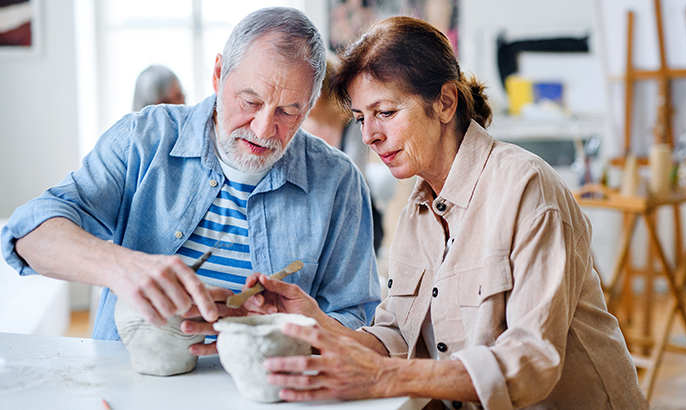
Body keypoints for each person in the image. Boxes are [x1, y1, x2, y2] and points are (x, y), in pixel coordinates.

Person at [235, 16, 649, 409]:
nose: (370, 135)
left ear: (446, 102)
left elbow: (531, 361)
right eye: (361, 118)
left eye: (386, 112)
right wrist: (313, 321)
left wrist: (384, 377)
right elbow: (395, 335)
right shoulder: (418, 208)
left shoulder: (525, 187)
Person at [0, 7, 381, 347]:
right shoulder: (143, 139)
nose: (264, 129)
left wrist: (288, 330)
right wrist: (121, 267)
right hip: (132, 381)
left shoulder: (338, 182)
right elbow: (27, 235)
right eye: (250, 102)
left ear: (310, 106)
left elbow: (356, 322)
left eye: (288, 111)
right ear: (218, 75)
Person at [302, 53, 384, 252]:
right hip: (311, 210)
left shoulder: (354, 124)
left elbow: (355, 179)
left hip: (353, 208)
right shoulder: (298, 126)